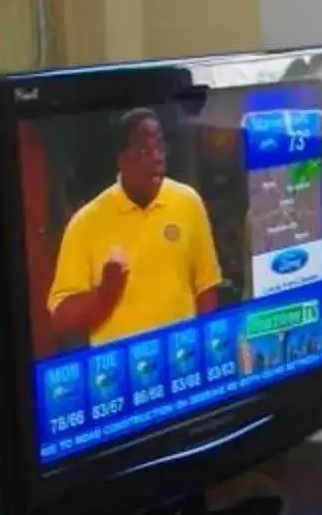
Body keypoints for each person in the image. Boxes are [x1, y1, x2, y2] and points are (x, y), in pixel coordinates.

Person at [46, 108, 223, 347]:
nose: (156, 157)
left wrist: (206, 349)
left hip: (183, 364)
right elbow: (61, 317)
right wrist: (104, 294)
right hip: (120, 376)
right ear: (121, 159)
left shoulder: (188, 203)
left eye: (160, 147)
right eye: (143, 150)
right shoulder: (86, 223)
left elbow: (207, 287)